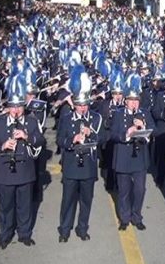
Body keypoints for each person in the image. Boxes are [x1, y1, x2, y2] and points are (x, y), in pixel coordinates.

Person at [0, 73, 46, 250]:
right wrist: (3, 145)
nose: (16, 111)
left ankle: (24, 234)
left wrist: (27, 137)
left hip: (25, 170)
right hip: (5, 171)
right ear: (7, 108)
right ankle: (5, 235)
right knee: (5, 207)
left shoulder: (31, 121)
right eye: (12, 107)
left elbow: (40, 141)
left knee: (24, 206)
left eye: (19, 107)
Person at [57, 65, 105, 241]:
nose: (83, 108)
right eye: (79, 105)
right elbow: (59, 140)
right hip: (70, 165)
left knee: (86, 201)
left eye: (85, 105)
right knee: (68, 200)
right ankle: (64, 229)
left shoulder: (95, 118)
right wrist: (73, 141)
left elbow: (103, 138)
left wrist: (92, 133)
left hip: (88, 167)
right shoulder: (67, 118)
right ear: (74, 104)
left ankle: (82, 228)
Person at [110, 73, 154, 230]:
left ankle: (137, 216)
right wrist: (127, 134)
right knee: (124, 191)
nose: (134, 104)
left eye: (136, 100)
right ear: (126, 101)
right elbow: (112, 134)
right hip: (123, 157)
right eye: (131, 101)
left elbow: (153, 130)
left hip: (139, 158)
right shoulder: (118, 114)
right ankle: (124, 218)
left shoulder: (144, 113)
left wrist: (143, 127)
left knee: (140, 189)